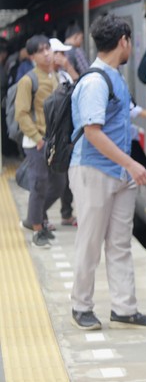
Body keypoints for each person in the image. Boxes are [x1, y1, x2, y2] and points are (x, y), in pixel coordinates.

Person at [69, 14, 146, 331]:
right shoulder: (95, 82)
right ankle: (81, 305)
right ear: (123, 41)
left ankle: (124, 308)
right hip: (94, 171)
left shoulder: (115, 78)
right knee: (90, 242)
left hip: (119, 174)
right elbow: (92, 133)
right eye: (130, 41)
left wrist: (127, 167)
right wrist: (132, 164)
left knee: (120, 243)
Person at [15, 35, 66, 248]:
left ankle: (34, 217)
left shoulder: (55, 77)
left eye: (48, 49)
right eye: (40, 51)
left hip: (53, 141)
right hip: (36, 142)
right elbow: (21, 113)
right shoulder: (28, 81)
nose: (46, 53)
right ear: (32, 57)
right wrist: (37, 139)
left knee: (59, 184)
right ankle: (37, 229)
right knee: (39, 183)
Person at [51, 37, 78, 226]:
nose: (63, 57)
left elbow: (79, 85)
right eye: (59, 53)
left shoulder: (64, 75)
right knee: (49, 178)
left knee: (65, 175)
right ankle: (39, 218)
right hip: (50, 133)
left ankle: (66, 213)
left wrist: (68, 66)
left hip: (66, 132)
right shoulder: (44, 77)